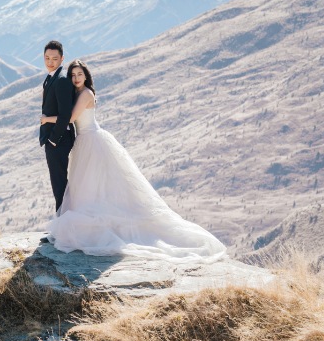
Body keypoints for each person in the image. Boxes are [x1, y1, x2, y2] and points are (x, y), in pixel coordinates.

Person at [41, 60, 226, 261]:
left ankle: (106, 224)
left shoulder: (86, 94)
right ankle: (94, 220)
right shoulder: (76, 93)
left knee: (98, 183)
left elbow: (69, 118)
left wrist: (46, 119)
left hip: (93, 141)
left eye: (79, 74)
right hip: (83, 142)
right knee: (88, 186)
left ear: (86, 76)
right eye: (73, 75)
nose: (76, 78)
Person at [39, 40, 75, 212]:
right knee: (57, 184)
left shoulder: (61, 80)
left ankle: (64, 226)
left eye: (54, 58)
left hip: (58, 140)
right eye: (47, 58)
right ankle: (63, 223)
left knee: (59, 184)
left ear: (62, 59)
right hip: (54, 139)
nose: (50, 62)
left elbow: (65, 115)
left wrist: (53, 140)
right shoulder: (52, 77)